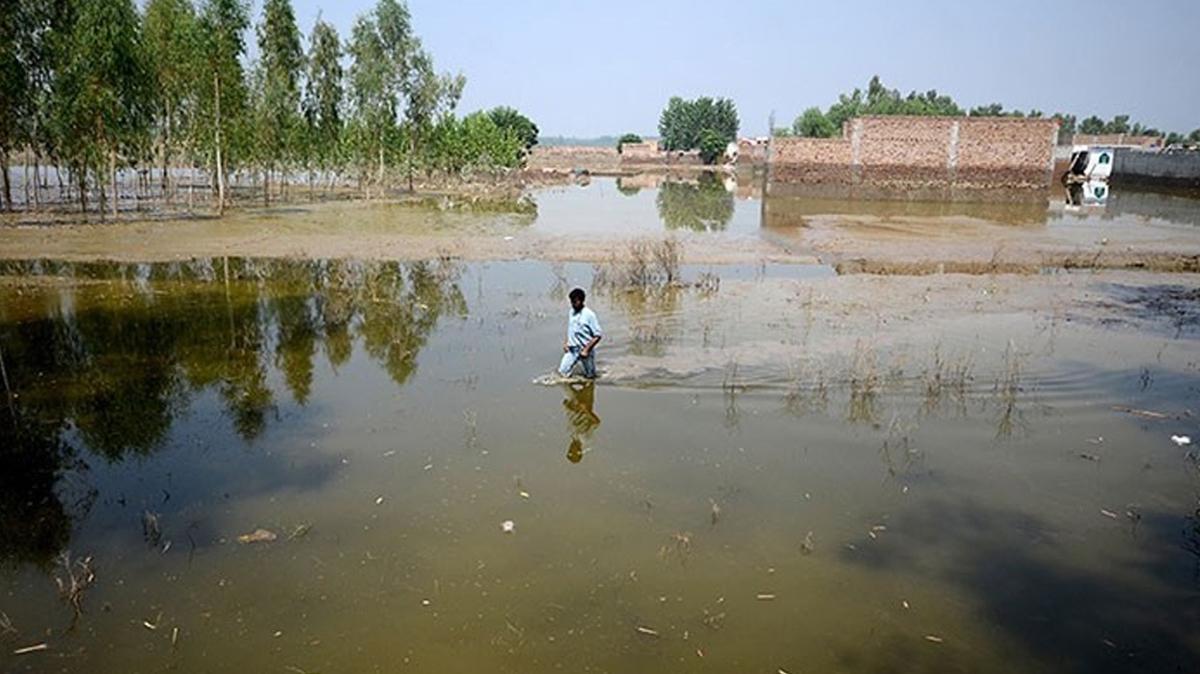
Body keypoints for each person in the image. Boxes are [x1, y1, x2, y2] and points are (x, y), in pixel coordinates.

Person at [558, 287, 602, 379]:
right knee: (562, 372)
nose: (573, 304)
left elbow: (598, 335)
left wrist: (586, 350)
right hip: (572, 349)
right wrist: (566, 343)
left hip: (585, 350)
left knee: (590, 377)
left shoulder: (589, 315)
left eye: (575, 302)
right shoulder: (571, 312)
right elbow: (571, 329)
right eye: (571, 302)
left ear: (581, 301)